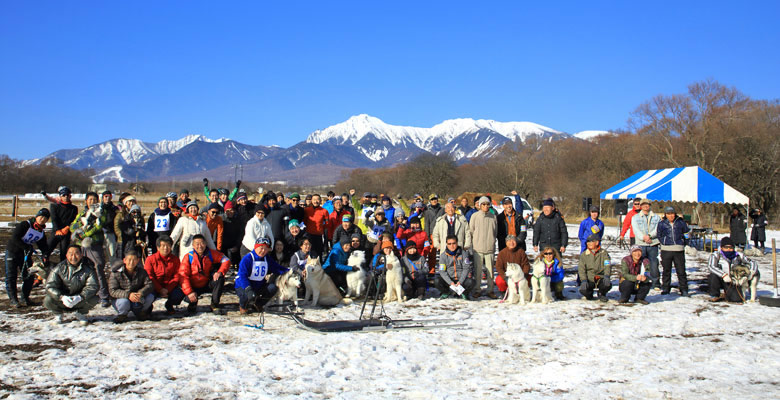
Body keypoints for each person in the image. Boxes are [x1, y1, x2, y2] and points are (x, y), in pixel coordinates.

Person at [70, 191, 110, 307]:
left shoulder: (100, 212)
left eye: (94, 200)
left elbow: (98, 226)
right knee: (82, 269)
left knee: (98, 268)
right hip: (81, 244)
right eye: (90, 199)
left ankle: (104, 295)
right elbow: (73, 225)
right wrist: (78, 230)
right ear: (86, 201)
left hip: (94, 243)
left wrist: (85, 233)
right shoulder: (82, 213)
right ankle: (85, 294)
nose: (92, 202)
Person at [43, 244, 99, 325]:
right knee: (48, 299)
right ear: (66, 255)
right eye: (70, 254)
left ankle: (81, 313)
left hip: (79, 300)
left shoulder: (88, 269)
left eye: (76, 253)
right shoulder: (59, 268)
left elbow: (93, 286)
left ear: (81, 255)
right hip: (63, 300)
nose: (73, 257)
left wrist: (80, 297)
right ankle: (58, 314)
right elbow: (50, 286)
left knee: (94, 298)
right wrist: (61, 297)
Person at [5, 208, 51, 307]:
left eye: (45, 218)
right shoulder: (25, 224)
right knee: (11, 276)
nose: (42, 219)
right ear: (37, 216)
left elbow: (43, 246)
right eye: (41, 217)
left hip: (25, 255)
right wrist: (26, 247)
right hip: (13, 252)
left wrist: (45, 255)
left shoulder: (41, 232)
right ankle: (13, 300)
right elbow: (15, 238)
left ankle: (25, 298)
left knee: (29, 277)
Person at [179, 234, 231, 315]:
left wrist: (220, 272)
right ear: (193, 245)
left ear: (206, 244)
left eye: (202, 243)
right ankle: (192, 303)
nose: (200, 246)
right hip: (193, 286)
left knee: (220, 279)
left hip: (206, 283)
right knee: (187, 295)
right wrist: (189, 292)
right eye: (197, 244)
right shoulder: (188, 257)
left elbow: (226, 260)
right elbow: (183, 275)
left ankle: (214, 304)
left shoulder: (211, 254)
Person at [235, 237, 289, 314]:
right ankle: (243, 307)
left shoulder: (266, 258)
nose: (263, 251)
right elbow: (242, 276)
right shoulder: (247, 259)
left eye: (266, 249)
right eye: (261, 248)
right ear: (256, 247)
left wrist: (289, 271)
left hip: (259, 285)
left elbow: (276, 267)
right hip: (243, 286)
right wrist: (248, 289)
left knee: (272, 288)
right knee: (246, 295)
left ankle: (258, 304)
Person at [707, 236, 759, 303]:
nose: (728, 249)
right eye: (726, 247)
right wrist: (723, 275)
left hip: (733, 280)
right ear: (722, 248)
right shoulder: (716, 255)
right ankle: (714, 295)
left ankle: (727, 294)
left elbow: (752, 262)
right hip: (720, 279)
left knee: (736, 299)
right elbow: (711, 266)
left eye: (730, 247)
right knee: (713, 276)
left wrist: (752, 271)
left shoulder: (739, 255)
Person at [108, 251, 154, 323]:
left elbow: (149, 285)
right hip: (122, 299)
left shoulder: (142, 271)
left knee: (150, 296)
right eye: (129, 260)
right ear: (124, 260)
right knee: (124, 302)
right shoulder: (116, 273)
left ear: (138, 261)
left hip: (137, 298)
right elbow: (112, 291)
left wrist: (140, 293)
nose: (131, 262)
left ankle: (142, 313)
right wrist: (128, 295)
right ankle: (122, 315)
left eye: (134, 260)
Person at [144, 235, 184, 315]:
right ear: (158, 247)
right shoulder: (150, 259)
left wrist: (167, 289)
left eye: (168, 245)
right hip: (154, 286)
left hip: (169, 286)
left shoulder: (175, 259)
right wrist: (160, 289)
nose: (166, 248)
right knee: (147, 295)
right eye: (163, 246)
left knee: (179, 294)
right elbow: (149, 276)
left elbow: (177, 276)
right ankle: (148, 307)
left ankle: (169, 305)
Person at [657, 206, 691, 296]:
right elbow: (659, 235)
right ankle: (665, 288)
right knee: (666, 270)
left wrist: (685, 242)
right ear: (665, 215)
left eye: (672, 214)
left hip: (678, 249)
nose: (670, 216)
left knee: (681, 270)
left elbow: (686, 233)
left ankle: (684, 289)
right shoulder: (662, 223)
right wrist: (663, 242)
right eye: (668, 214)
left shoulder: (681, 222)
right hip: (666, 249)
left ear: (675, 214)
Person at [469, 196, 498, 298]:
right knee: (478, 271)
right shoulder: (475, 216)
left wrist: (492, 241)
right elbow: (471, 231)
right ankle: (477, 289)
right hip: (478, 248)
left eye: (487, 204)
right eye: (483, 204)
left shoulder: (493, 217)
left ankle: (490, 290)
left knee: (490, 271)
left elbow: (495, 231)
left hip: (489, 247)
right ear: (480, 205)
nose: (486, 206)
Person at [631, 198, 661, 290]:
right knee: (637, 263)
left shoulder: (656, 217)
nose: (645, 206)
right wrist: (644, 237)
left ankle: (655, 283)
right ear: (640, 206)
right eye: (643, 205)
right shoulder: (635, 217)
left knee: (654, 263)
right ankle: (636, 282)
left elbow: (657, 229)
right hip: (641, 244)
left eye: (647, 204)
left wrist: (649, 236)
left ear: (649, 205)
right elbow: (636, 230)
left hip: (653, 243)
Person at [436, 235, 475, 300]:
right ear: (447, 244)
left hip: (460, 279)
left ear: (457, 243)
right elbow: (442, 271)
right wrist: (450, 282)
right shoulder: (443, 255)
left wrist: (460, 281)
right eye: (449, 244)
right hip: (450, 279)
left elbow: (466, 268)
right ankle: (446, 292)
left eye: (454, 243)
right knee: (437, 281)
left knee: (471, 282)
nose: (452, 246)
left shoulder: (463, 254)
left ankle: (464, 293)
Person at [46, 186, 79, 262]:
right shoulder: (54, 206)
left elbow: (73, 220)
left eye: (67, 195)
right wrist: (57, 230)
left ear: (70, 196)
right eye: (64, 195)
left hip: (66, 232)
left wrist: (67, 228)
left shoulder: (74, 208)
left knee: (64, 253)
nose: (66, 197)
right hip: (56, 231)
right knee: (47, 250)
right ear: (60, 196)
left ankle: (63, 269)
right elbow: (54, 219)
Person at [578, 234, 612, 302]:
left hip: (600, 277)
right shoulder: (584, 255)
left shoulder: (604, 253)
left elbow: (607, 265)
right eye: (588, 242)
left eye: (591, 241)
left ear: (597, 242)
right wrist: (584, 280)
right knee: (583, 290)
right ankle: (589, 294)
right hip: (589, 278)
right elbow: (581, 269)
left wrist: (607, 276)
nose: (589, 243)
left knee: (607, 284)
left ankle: (602, 294)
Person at [303, 194, 330, 258]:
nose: (316, 201)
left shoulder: (324, 211)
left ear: (320, 201)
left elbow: (326, 226)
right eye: (314, 200)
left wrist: (326, 241)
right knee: (309, 255)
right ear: (311, 201)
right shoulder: (307, 210)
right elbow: (304, 222)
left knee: (318, 256)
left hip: (319, 236)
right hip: (309, 235)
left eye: (317, 199)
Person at [101, 190, 121, 262]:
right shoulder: (99, 208)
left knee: (112, 253)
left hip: (111, 233)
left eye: (109, 197)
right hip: (100, 233)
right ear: (103, 197)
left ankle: (113, 269)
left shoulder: (114, 209)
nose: (107, 198)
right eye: (105, 196)